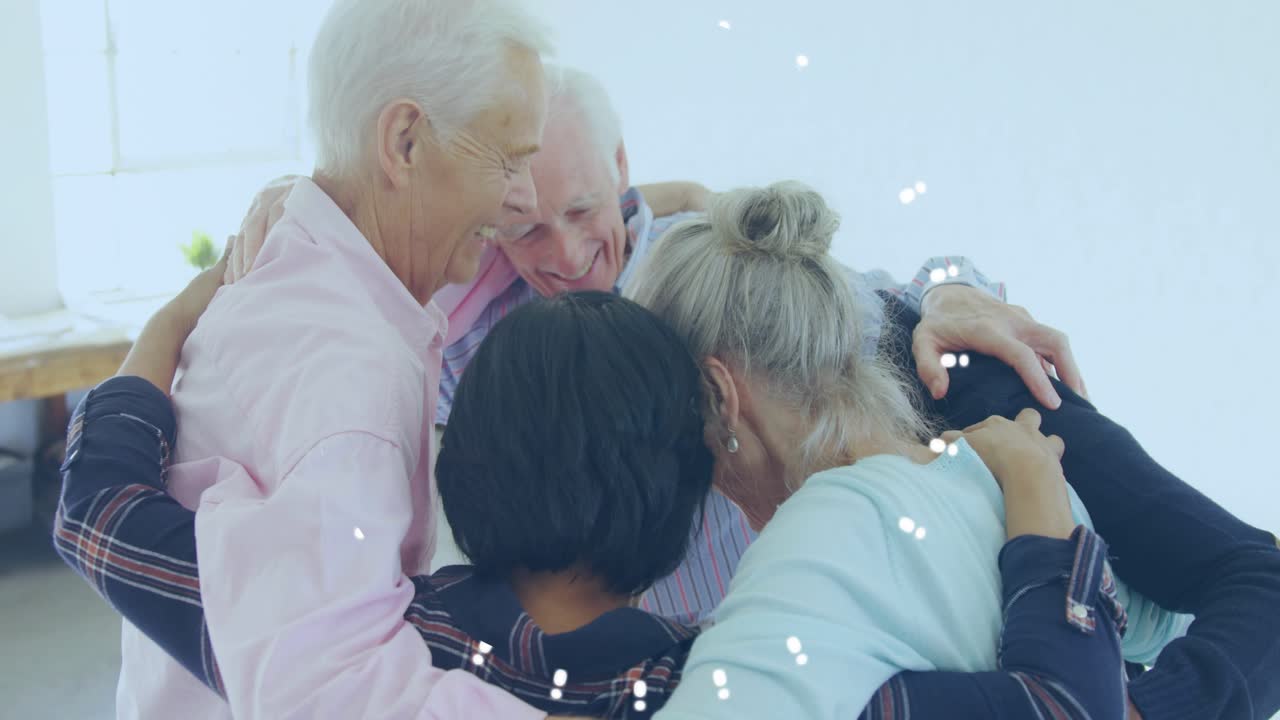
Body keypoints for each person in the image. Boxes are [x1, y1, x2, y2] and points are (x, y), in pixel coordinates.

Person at [58, 258, 1162, 719]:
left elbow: (99, 516)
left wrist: (166, 324)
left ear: (462, 463)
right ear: (689, 495)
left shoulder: (332, 643)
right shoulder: (741, 678)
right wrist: (1033, 509)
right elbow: (1062, 705)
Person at [227, 64, 1047, 628]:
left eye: (584, 212)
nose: (565, 256)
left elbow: (876, 290)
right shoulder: (482, 330)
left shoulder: (703, 265)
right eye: (526, 229)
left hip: (787, 620)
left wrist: (944, 287)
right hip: (619, 667)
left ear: (621, 167)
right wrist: (309, 204)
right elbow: (381, 294)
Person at [626, 183, 1280, 719]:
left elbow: (1246, 586)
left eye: (685, 433)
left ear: (720, 390)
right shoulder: (1005, 475)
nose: (698, 481)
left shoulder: (987, 398)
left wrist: (1136, 709)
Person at [106, 0, 559, 718]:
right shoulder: (345, 374)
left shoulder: (304, 270)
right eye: (508, 159)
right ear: (404, 141)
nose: (525, 199)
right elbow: (330, 691)